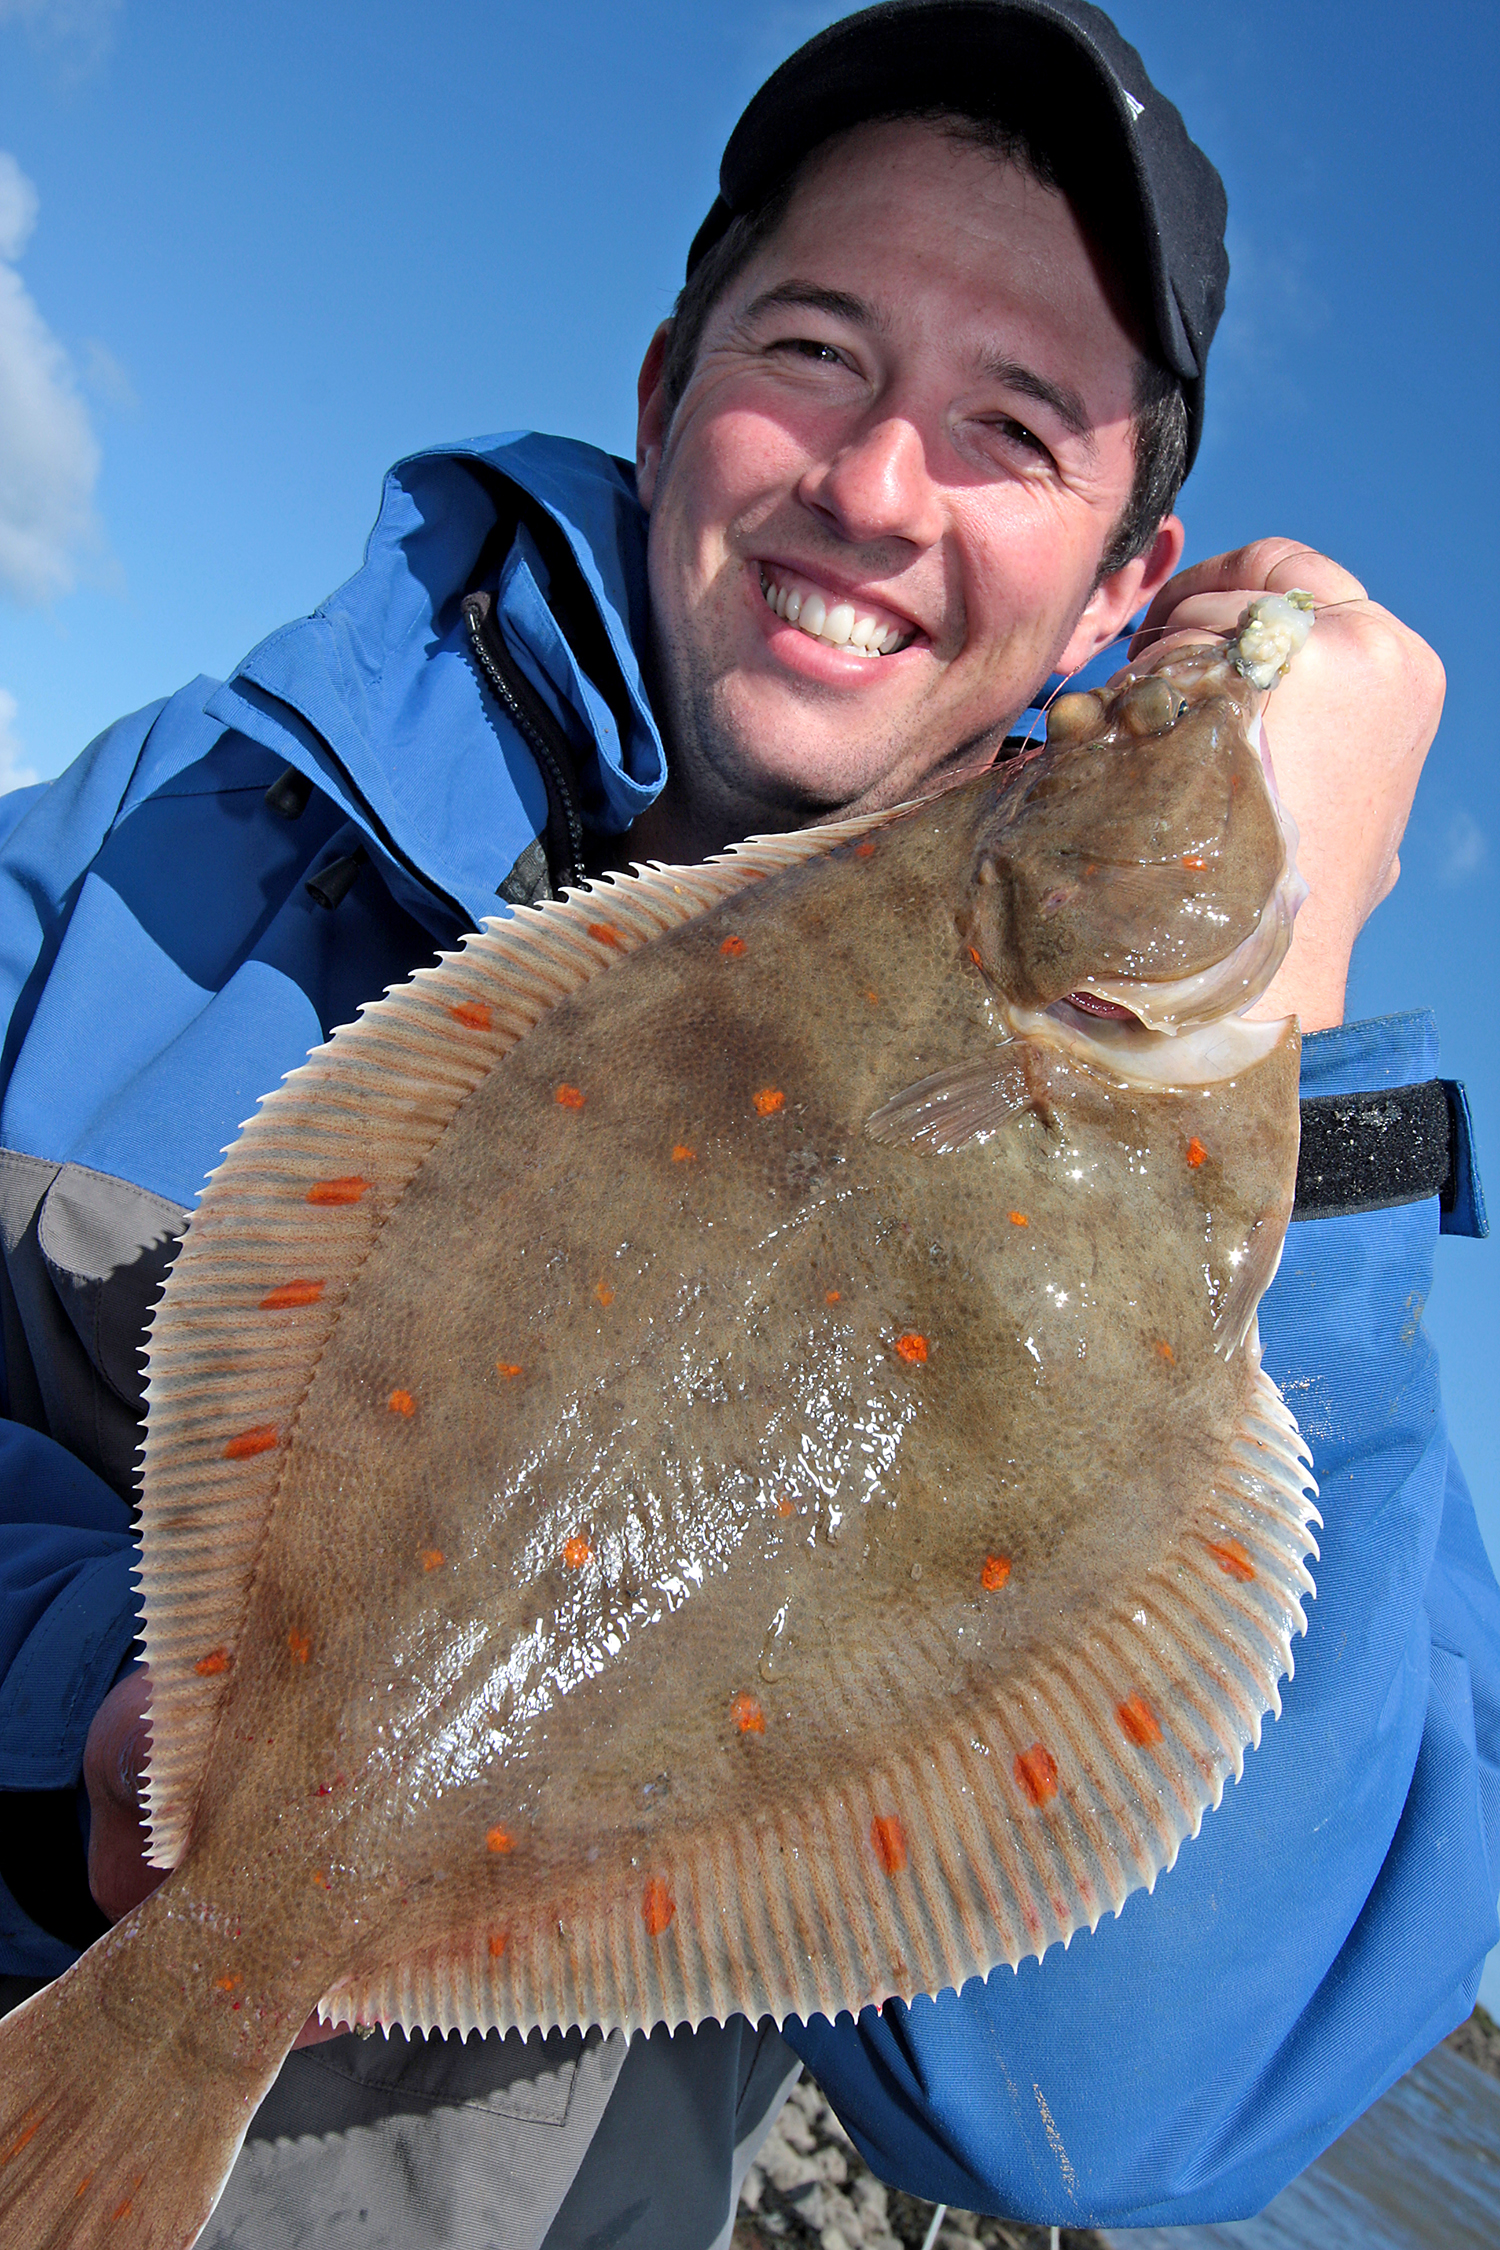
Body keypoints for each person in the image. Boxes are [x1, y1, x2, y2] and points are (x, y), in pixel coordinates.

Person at [0, 3, 1494, 2245]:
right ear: (662, 390)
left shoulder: (1224, 1157)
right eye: (817, 349)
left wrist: (1307, 1019)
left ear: (1123, 591)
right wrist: (79, 1723)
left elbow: (1120, 2112)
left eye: (1012, 425)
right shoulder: (186, 826)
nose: (880, 487)